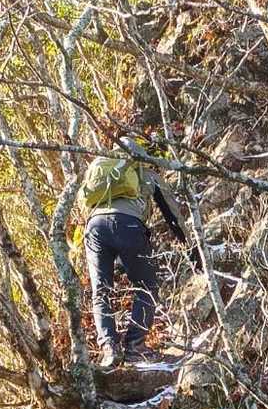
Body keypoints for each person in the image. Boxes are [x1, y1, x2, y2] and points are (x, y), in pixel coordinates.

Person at [78, 132, 189, 369]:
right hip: (128, 225)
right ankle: (134, 346)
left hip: (94, 227)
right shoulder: (146, 174)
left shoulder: (103, 172)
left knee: (101, 291)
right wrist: (191, 249)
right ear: (140, 156)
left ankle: (109, 349)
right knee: (146, 286)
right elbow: (172, 215)